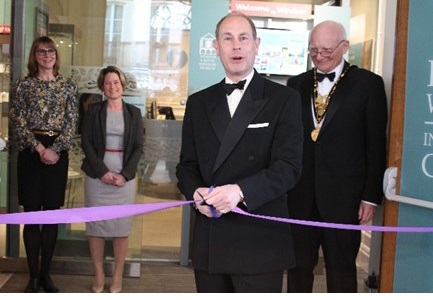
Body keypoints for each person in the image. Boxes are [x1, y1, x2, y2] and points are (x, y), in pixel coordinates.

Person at [176, 12, 303, 293]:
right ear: (217, 47)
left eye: (243, 38)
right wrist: (195, 192)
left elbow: (288, 168)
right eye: (228, 38)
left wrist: (240, 191)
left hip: (260, 239)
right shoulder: (198, 103)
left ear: (256, 45)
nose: (236, 46)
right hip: (212, 236)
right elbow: (186, 166)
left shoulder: (285, 99)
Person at [285, 20, 388, 293]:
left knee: (341, 270)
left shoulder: (368, 84)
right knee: (297, 268)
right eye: (313, 50)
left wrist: (370, 196)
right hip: (299, 195)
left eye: (327, 50)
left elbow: (375, 145)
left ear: (345, 47)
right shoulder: (295, 84)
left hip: (345, 199)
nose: (319, 56)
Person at [9, 36, 78, 293]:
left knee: (50, 217)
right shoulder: (22, 86)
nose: (47, 55)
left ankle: (46, 274)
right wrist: (39, 148)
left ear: (56, 56)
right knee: (31, 215)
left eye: (51, 51)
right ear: (34, 56)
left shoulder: (68, 86)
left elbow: (71, 124)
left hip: (57, 153)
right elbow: (17, 122)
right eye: (41, 51)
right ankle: (33, 276)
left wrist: (54, 150)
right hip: (31, 153)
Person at [80, 65, 144, 293]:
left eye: (116, 82)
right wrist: (102, 172)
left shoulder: (134, 113)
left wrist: (125, 175)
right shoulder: (93, 110)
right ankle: (98, 273)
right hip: (98, 176)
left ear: (122, 85)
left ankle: (117, 275)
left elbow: (138, 147)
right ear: (102, 87)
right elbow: (86, 142)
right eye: (107, 83)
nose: (112, 87)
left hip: (124, 180)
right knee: (96, 227)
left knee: (121, 227)